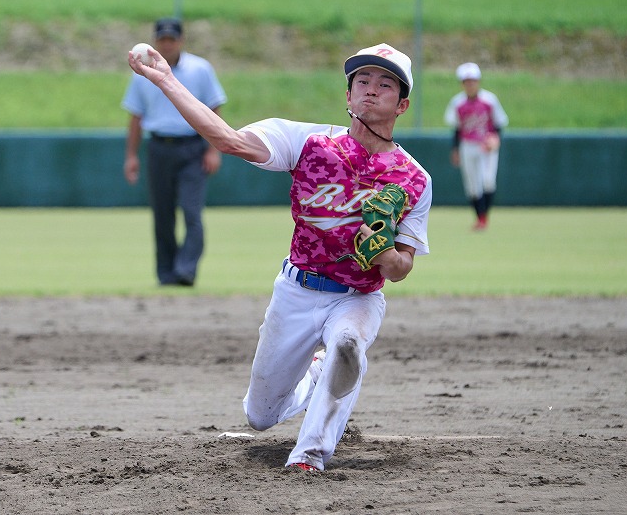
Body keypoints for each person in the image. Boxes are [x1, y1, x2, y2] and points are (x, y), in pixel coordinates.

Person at [127, 42, 431, 471]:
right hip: (296, 291)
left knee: (348, 344)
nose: (370, 88)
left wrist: (385, 255)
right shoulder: (310, 143)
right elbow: (229, 140)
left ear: (402, 105)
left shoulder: (414, 178)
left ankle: (309, 455)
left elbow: (401, 268)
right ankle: (317, 372)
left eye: (385, 84)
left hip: (358, 297)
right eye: (362, 80)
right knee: (260, 416)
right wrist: (166, 81)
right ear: (347, 95)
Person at [121, 17, 227, 286]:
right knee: (162, 214)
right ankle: (166, 273)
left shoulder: (200, 69)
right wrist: (131, 156)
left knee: (191, 212)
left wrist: (214, 149)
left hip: (192, 148)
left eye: (171, 39)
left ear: (181, 40)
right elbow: (135, 117)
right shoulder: (142, 74)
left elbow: (214, 108)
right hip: (159, 148)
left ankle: (185, 271)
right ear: (155, 41)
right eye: (162, 39)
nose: (167, 44)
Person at [444, 62, 509, 230]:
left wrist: (496, 138)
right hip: (467, 145)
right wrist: (455, 149)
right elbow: (457, 128)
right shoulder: (457, 102)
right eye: (466, 81)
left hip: (486, 144)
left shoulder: (489, 100)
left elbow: (499, 123)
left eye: (472, 81)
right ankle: (480, 218)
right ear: (462, 83)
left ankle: (483, 217)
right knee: (472, 185)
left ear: (478, 81)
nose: (470, 84)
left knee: (488, 181)